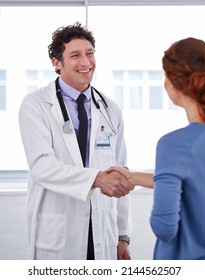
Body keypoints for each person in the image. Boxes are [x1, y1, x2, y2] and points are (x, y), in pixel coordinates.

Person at [19, 22, 134, 260]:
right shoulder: (36, 105)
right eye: (75, 55)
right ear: (56, 62)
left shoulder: (110, 109)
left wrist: (123, 235)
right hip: (60, 232)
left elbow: (121, 171)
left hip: (103, 230)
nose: (86, 62)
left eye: (89, 53)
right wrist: (96, 179)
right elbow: (42, 166)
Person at [108, 37, 205, 260]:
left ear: (174, 83)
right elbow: (197, 180)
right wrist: (133, 177)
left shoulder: (175, 145)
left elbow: (165, 227)